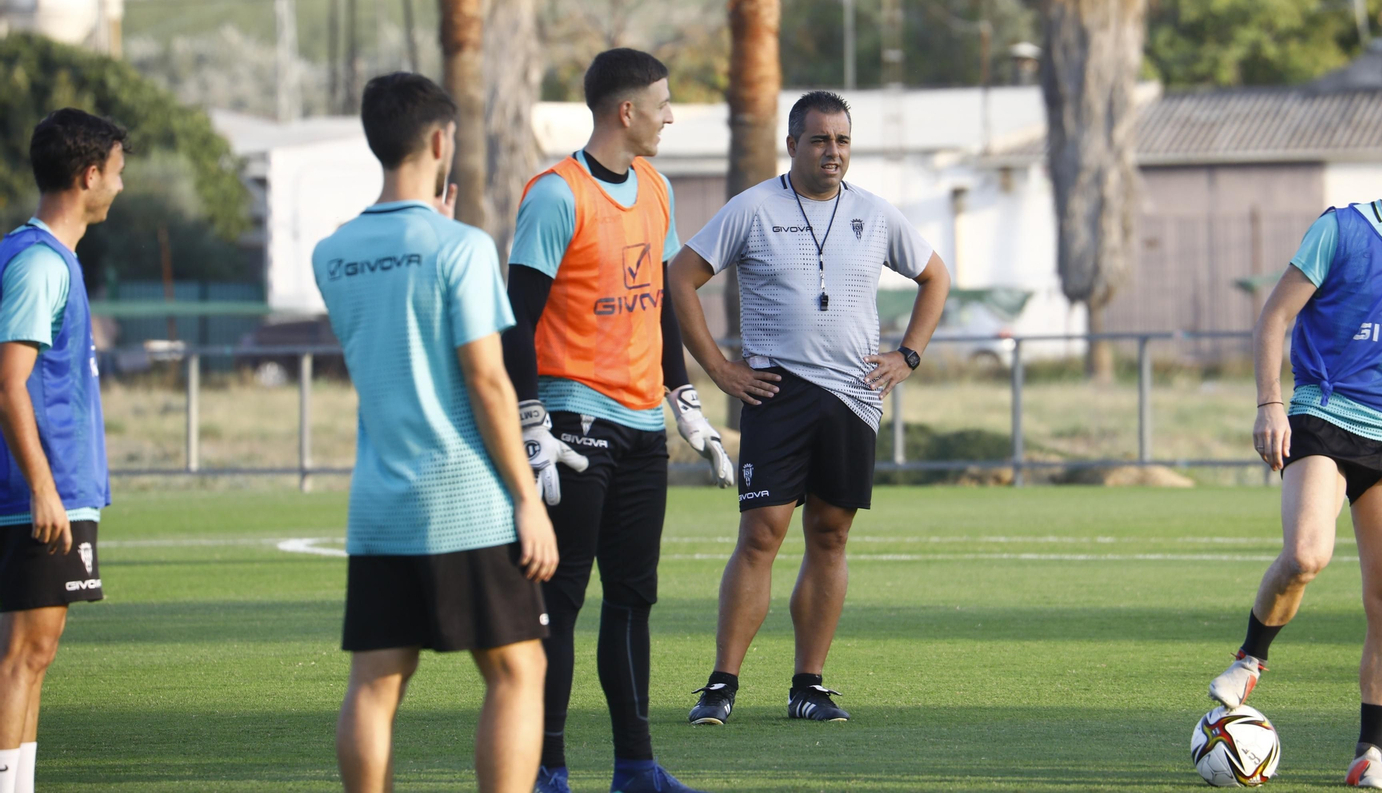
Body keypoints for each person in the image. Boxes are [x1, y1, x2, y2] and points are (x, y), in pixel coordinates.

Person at [1207, 114, 1382, 788]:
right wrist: (1270, 405)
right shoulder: (1340, 228)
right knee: (1308, 554)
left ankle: (1369, 755)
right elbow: (1274, 317)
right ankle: (1251, 658)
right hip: (1325, 417)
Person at [671, 90, 951, 726]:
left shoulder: (876, 214)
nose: (833, 152)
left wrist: (907, 356)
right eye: (820, 140)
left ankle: (809, 686)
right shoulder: (754, 208)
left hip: (854, 396)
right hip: (778, 392)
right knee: (762, 534)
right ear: (792, 144)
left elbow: (936, 277)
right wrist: (718, 368)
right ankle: (720, 685)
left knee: (831, 535)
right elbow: (679, 276)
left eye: (843, 140)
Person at [315, 72, 558, 793]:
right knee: (519, 668)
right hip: (467, 499)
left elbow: (395, 323)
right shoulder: (463, 247)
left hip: (379, 503)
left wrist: (434, 224)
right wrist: (526, 500)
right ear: (441, 141)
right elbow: (486, 380)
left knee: (376, 682)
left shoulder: (332, 254)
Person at [502, 48, 726, 793]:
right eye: (663, 103)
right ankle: (546, 770)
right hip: (570, 427)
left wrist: (684, 399)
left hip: (640, 429)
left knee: (633, 601)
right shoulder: (554, 194)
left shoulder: (656, 188)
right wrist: (531, 419)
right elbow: (514, 322)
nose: (671, 115)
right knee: (559, 604)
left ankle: (636, 768)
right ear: (624, 112)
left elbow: (659, 306)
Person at [0, 108, 122, 793]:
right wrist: (44, 485)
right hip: (34, 495)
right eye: (117, 172)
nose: (121, 186)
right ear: (88, 175)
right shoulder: (40, 263)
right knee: (24, 654)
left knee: (33, 654)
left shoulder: (47, 257)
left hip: (46, 490)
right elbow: (9, 381)